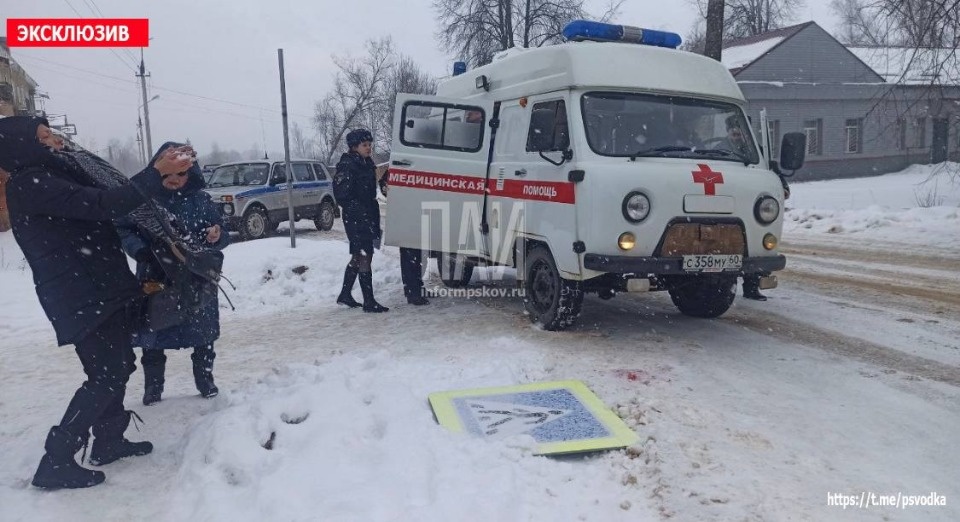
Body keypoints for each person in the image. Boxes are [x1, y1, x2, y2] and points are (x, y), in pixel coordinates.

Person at [0, 116, 194, 489]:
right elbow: (104, 204)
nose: (54, 140)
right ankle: (56, 459)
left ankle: (108, 439)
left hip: (99, 287)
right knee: (106, 374)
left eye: (50, 133)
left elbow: (111, 194)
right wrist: (155, 173)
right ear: (23, 146)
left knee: (118, 365)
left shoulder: (53, 173)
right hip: (80, 294)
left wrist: (160, 180)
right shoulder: (31, 184)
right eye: (43, 136)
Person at [117, 142, 230, 405]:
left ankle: (205, 380)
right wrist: (141, 250)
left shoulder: (201, 200)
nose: (174, 179)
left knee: (203, 334)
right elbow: (123, 228)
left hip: (196, 278)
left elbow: (222, 230)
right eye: (168, 173)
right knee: (153, 334)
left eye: (181, 173)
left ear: (191, 172)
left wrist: (217, 236)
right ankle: (153, 387)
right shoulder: (143, 200)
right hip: (155, 276)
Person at [334, 129, 388, 313]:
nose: (369, 148)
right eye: (364, 145)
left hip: (368, 214)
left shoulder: (366, 163)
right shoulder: (348, 165)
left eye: (370, 145)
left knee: (359, 255)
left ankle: (345, 294)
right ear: (354, 147)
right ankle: (369, 301)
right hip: (356, 217)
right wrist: (359, 211)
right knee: (365, 254)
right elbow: (342, 196)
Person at [378, 172, 429, 306]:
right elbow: (384, 184)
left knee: (418, 255)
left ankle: (417, 288)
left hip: (417, 213)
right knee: (410, 254)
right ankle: (413, 292)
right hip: (406, 214)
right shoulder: (403, 165)